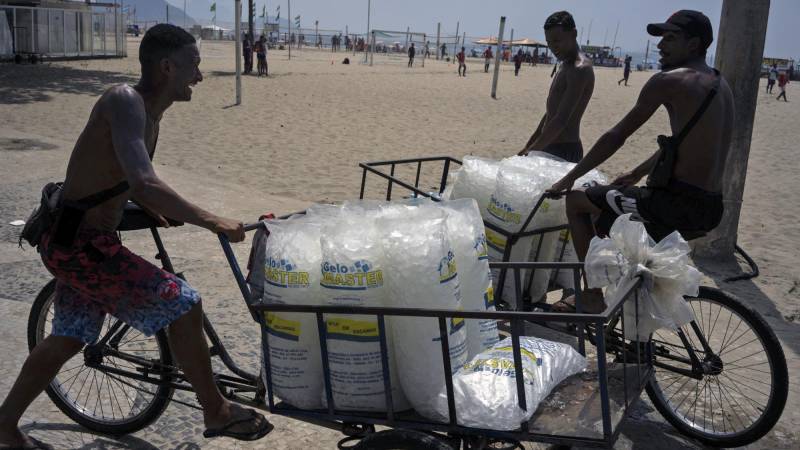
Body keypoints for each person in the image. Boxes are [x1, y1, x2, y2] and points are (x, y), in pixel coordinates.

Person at [0, 25, 273, 450]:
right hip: (80, 245)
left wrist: (149, 206)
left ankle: (3, 426)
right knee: (184, 304)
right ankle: (215, 410)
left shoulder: (149, 112)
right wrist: (211, 219)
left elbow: (122, 176)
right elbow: (143, 181)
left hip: (82, 243)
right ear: (167, 67)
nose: (199, 77)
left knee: (69, 336)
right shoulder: (124, 101)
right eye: (194, 66)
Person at [547, 10, 733, 313]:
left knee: (578, 200)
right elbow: (681, 144)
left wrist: (568, 179)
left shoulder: (668, 81)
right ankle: (628, 298)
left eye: (670, 39)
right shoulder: (719, 85)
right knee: (608, 208)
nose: (660, 46)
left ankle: (592, 294)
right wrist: (636, 172)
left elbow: (615, 136)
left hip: (675, 204)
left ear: (694, 44)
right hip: (711, 206)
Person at [519, 11, 594, 164]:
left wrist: (533, 150)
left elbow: (561, 120)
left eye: (557, 41)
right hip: (547, 144)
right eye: (549, 42)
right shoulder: (564, 64)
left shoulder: (580, 68)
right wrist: (528, 146)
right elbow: (550, 113)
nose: (553, 47)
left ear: (573, 34)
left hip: (564, 150)